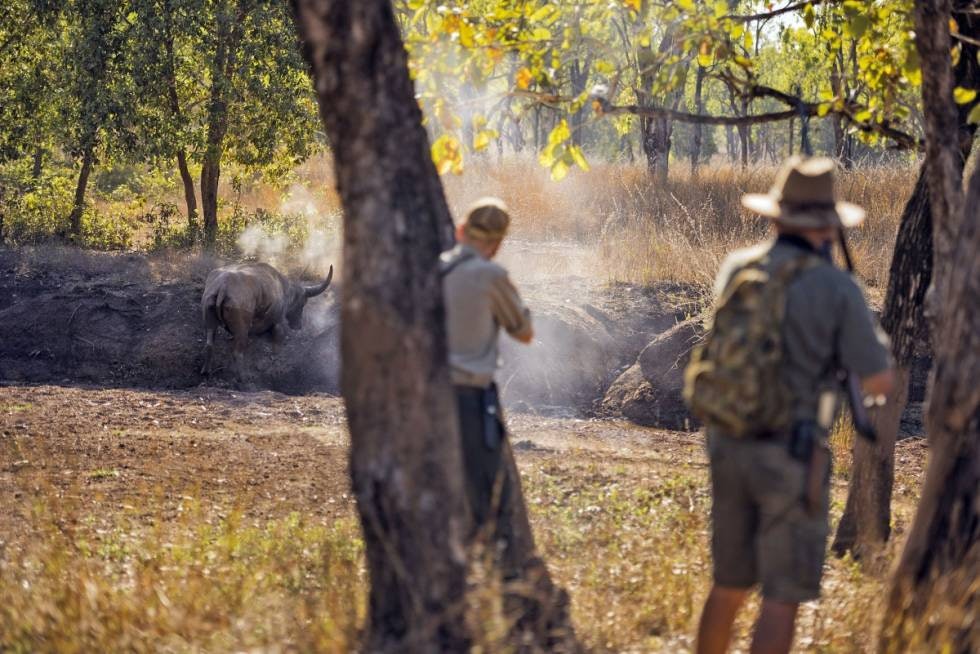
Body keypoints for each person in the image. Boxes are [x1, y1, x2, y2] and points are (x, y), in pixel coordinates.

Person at [691, 156, 895, 654]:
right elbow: (880, 380)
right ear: (829, 226)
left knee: (729, 584)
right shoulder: (837, 287)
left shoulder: (737, 267)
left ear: (776, 216)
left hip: (727, 441)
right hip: (793, 452)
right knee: (781, 598)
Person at [440, 197, 534, 552]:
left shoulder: (436, 269)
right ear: (496, 244)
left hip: (429, 399)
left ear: (462, 230)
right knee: (488, 495)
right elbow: (523, 332)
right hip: (470, 402)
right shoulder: (491, 275)